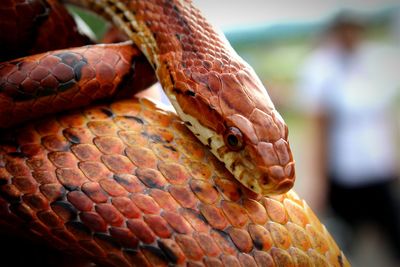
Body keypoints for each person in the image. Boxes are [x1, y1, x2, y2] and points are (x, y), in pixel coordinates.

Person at [296, 11, 400, 262]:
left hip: (376, 168)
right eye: (347, 30)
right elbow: (319, 128)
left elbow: (380, 119)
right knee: (341, 246)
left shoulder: (370, 61)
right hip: (344, 174)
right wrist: (319, 180)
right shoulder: (321, 68)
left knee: (393, 232)